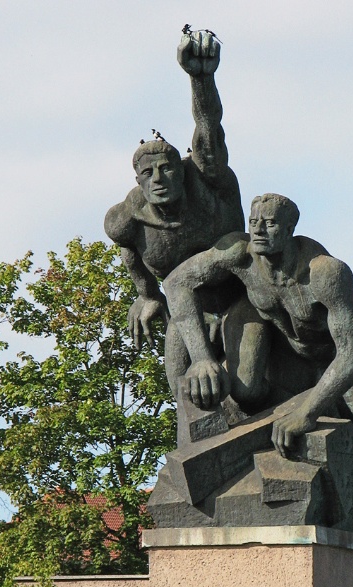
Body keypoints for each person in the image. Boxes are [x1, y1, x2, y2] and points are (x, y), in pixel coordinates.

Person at [164, 193, 353, 459]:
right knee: (243, 391)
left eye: (270, 223)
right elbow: (175, 283)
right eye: (254, 222)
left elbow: (352, 356)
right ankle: (270, 416)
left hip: (329, 361)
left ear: (290, 230)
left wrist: (305, 413)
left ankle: (301, 410)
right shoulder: (239, 253)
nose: (259, 230)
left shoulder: (326, 273)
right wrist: (201, 359)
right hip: (282, 352)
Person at [104, 30, 244, 393]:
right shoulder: (128, 218)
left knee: (248, 387)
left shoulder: (208, 180)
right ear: (138, 180)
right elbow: (130, 250)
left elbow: (208, 127)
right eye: (147, 174)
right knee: (183, 388)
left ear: (181, 170)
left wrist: (201, 78)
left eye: (166, 168)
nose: (159, 179)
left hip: (243, 297)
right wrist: (147, 294)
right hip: (190, 313)